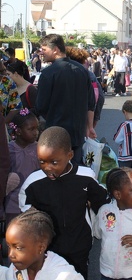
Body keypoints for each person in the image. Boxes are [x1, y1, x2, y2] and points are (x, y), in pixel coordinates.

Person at [19, 126, 108, 279]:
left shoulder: (85, 176)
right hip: (48, 248)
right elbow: (25, 208)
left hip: (79, 245)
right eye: (42, 161)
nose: (47, 168)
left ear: (69, 155)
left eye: (54, 162)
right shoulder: (33, 182)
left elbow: (101, 199)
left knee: (78, 276)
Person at [35, 34, 96, 164]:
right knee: (75, 172)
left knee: (57, 172)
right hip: (78, 133)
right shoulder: (82, 70)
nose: (41, 53)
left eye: (44, 49)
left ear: (55, 49)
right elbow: (91, 103)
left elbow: (40, 106)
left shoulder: (48, 73)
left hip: (55, 134)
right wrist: (89, 126)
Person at [3, 209, 84, 279]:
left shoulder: (64, 276)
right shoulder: (16, 269)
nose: (10, 255)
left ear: (41, 247)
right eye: (9, 246)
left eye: (18, 248)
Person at [5, 109, 39, 224]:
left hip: (33, 201)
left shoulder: (39, 149)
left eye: (36, 128)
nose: (36, 132)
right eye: (31, 129)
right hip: (12, 203)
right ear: (18, 131)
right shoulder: (8, 150)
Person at [65, 46, 104, 129]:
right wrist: (94, 121)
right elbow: (100, 97)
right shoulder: (89, 74)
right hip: (88, 114)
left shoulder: (67, 74)